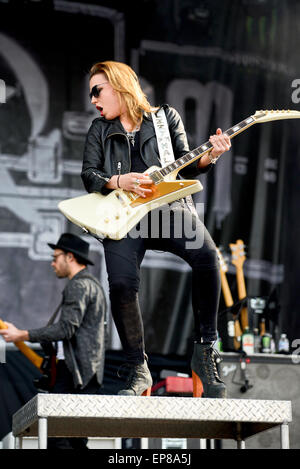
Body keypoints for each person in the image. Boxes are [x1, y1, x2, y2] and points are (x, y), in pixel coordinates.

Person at [81, 60, 231, 398]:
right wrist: (120, 180)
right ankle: (138, 369)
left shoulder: (165, 118)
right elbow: (90, 175)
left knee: (209, 258)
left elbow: (187, 163)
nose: (93, 99)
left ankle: (205, 351)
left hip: (167, 208)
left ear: (119, 86)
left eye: (97, 91)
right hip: (122, 214)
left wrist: (210, 157)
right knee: (120, 284)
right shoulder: (98, 129)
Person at [0, 233, 107, 449]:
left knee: (59, 438)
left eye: (55, 257)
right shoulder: (91, 285)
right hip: (85, 374)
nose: (52, 262)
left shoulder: (78, 286)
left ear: (69, 257)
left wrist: (22, 335)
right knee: (74, 439)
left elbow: (66, 329)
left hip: (75, 375)